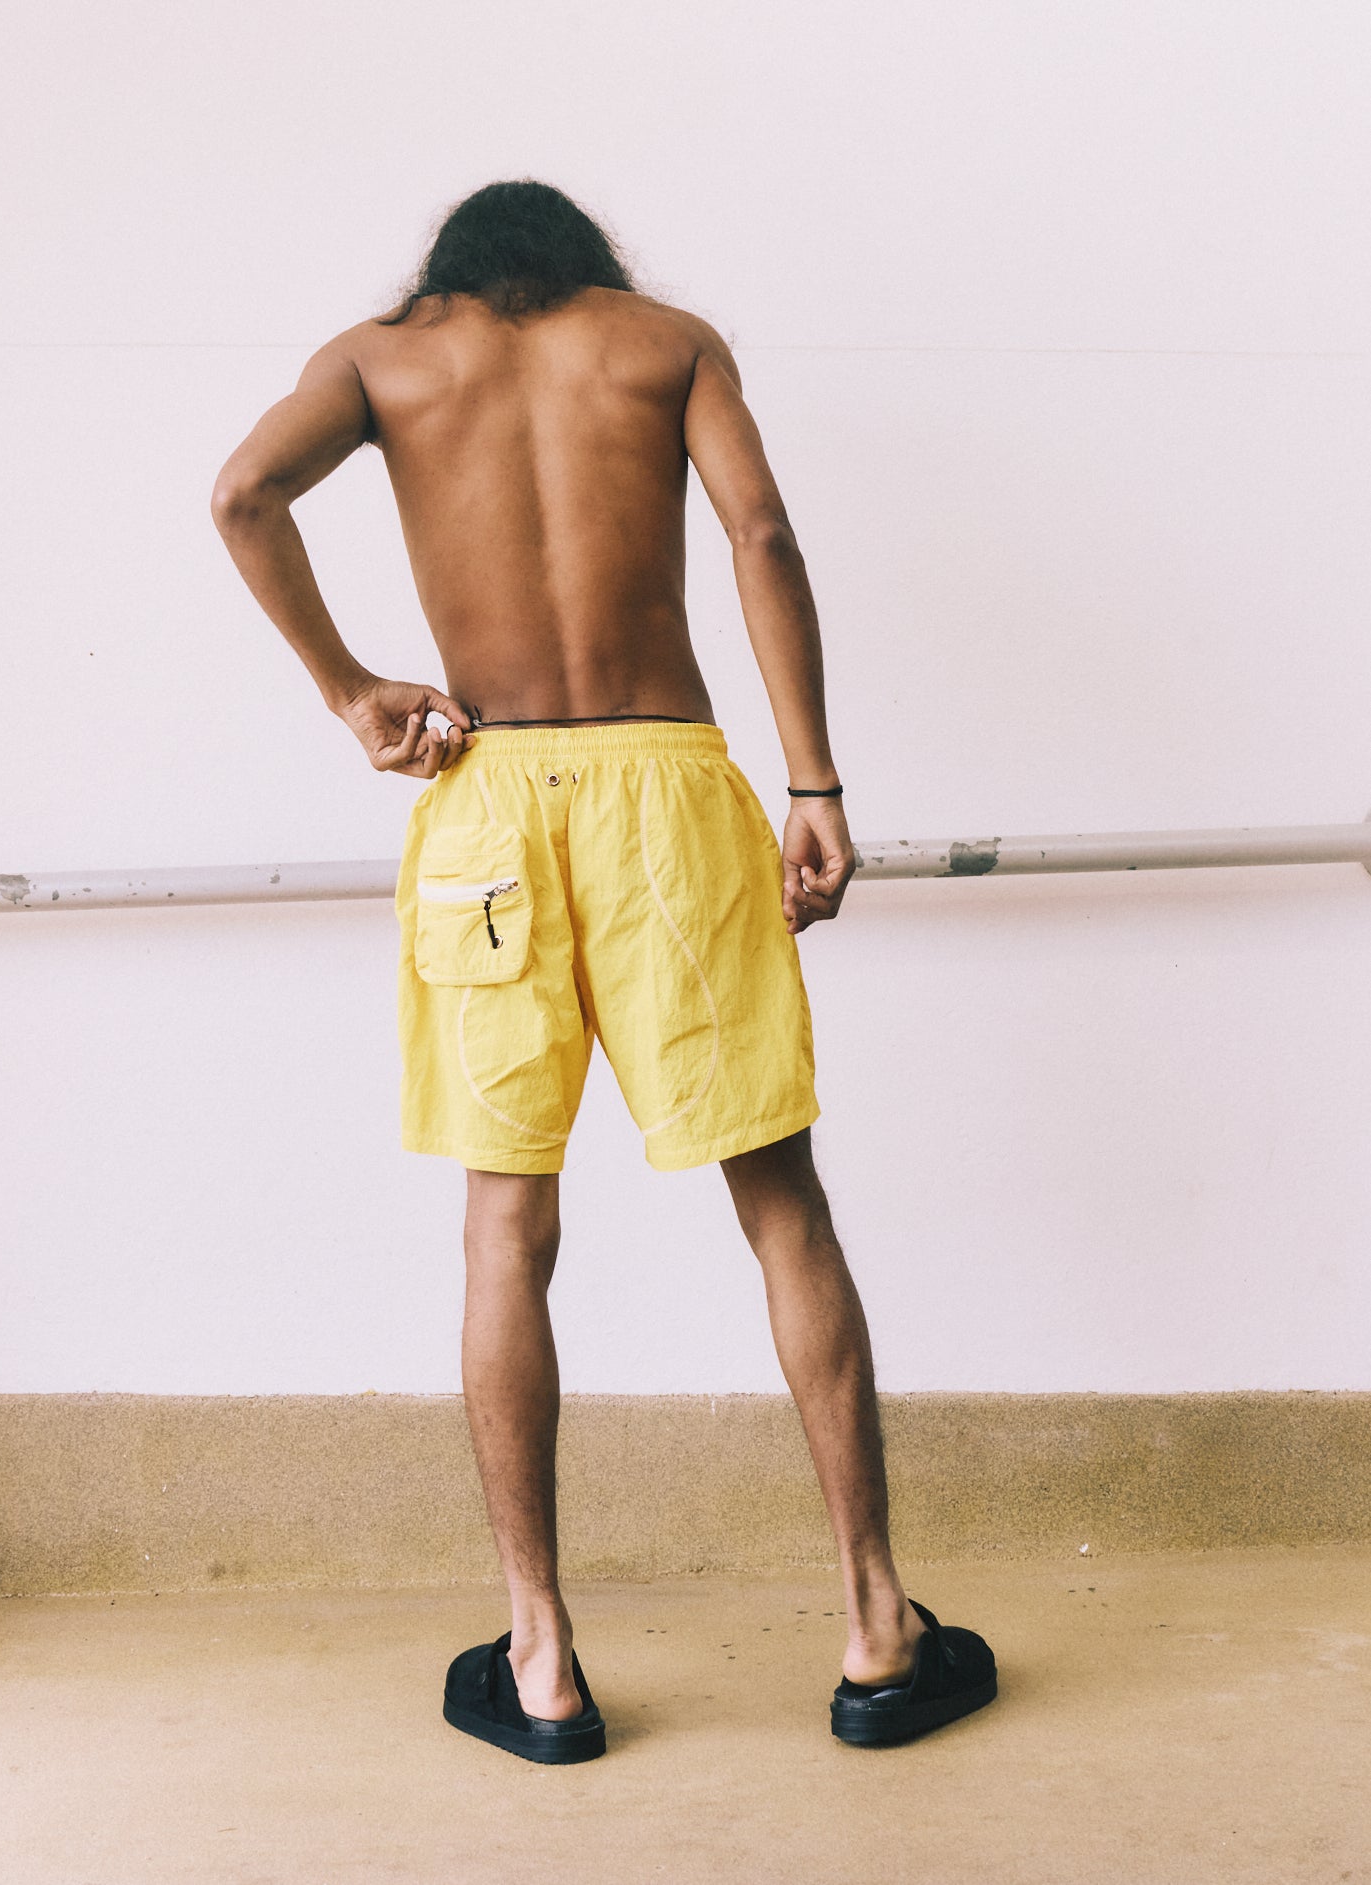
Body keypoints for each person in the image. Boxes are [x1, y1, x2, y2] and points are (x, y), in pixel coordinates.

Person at [211, 179, 996, 1764]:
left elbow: (242, 494)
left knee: (506, 1224)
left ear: (450, 272)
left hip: (489, 793)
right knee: (780, 1202)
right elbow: (761, 533)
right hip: (666, 789)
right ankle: (874, 1626)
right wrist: (814, 781)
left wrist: (351, 690)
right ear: (586, 264)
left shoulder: (380, 359)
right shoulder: (665, 343)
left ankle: (541, 1656)